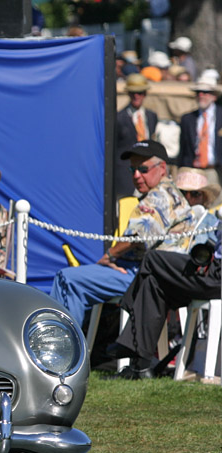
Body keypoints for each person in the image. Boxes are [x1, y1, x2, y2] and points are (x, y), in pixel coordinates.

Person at [50, 140, 194, 325]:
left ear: (162, 168)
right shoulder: (171, 193)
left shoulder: (159, 197)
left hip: (144, 276)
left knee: (67, 279)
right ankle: (78, 342)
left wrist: (110, 255)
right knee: (77, 283)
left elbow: (137, 237)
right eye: (132, 169)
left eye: (143, 169)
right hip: (156, 275)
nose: (136, 175)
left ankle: (63, 348)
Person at [110, 238, 220, 379]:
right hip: (214, 273)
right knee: (154, 283)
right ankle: (140, 367)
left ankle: (129, 330)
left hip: (217, 275)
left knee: (152, 258)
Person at [115, 74, 158, 202]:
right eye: (133, 93)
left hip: (147, 174)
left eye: (140, 93)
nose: (136, 96)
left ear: (145, 94)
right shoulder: (118, 118)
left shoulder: (151, 116)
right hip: (125, 176)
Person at [179, 78, 222, 184]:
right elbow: (183, 149)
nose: (201, 95)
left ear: (214, 96)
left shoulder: (220, 116)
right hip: (194, 171)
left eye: (205, 92)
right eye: (198, 92)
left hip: (215, 170)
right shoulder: (188, 118)